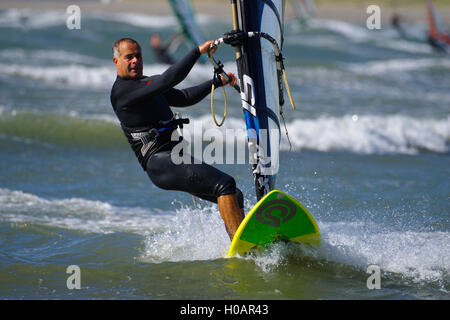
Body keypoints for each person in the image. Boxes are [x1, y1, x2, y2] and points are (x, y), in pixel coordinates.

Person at [110, 37, 245, 240]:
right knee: (224, 184)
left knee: (233, 194)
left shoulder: (146, 85)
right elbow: (167, 80)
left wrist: (217, 82)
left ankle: (242, 239)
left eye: (138, 56)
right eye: (129, 57)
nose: (135, 61)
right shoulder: (123, 91)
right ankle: (243, 248)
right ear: (116, 62)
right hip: (159, 161)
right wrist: (196, 52)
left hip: (172, 158)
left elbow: (183, 97)